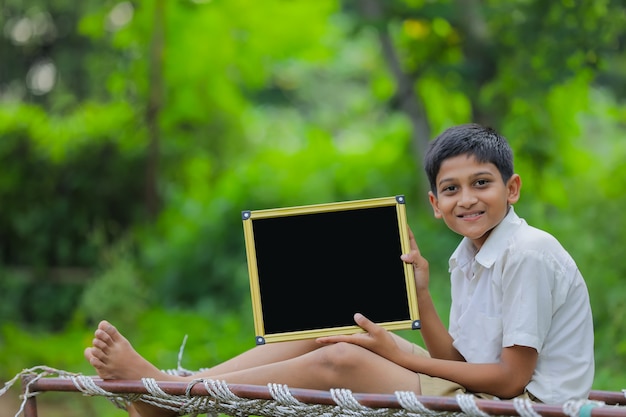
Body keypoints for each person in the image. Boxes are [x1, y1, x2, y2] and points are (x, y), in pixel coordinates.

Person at [84, 123, 594, 417]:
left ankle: (173, 399)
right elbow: (460, 359)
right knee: (333, 329)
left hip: (522, 409)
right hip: (481, 396)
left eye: (482, 183)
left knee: (342, 361)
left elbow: (508, 380)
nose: (468, 199)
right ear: (435, 204)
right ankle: (171, 395)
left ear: (513, 188)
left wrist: (398, 353)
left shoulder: (527, 252)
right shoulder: (469, 255)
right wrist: (423, 298)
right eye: (453, 189)